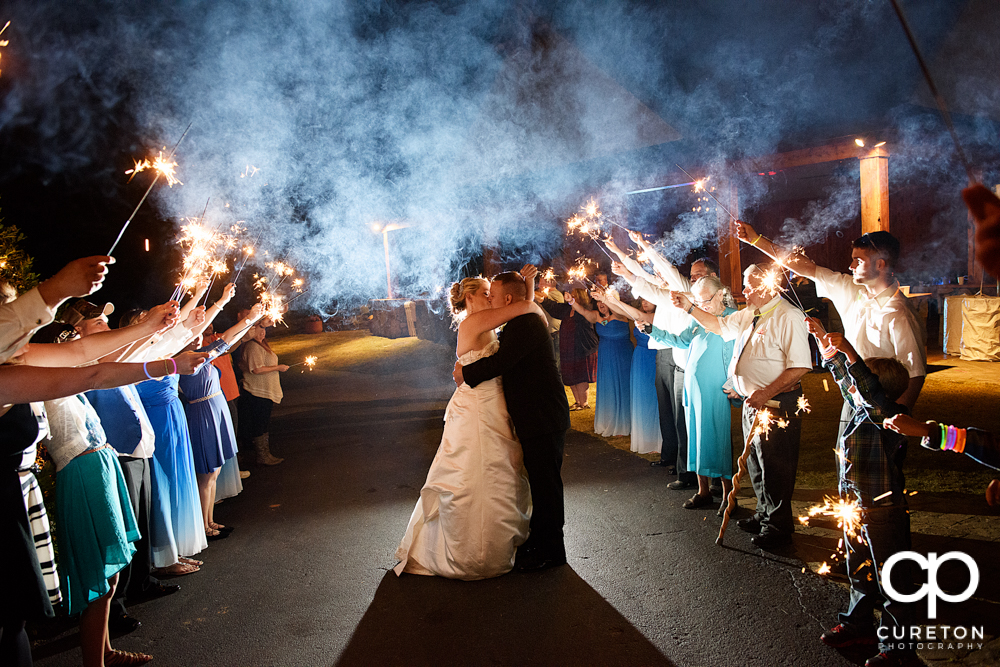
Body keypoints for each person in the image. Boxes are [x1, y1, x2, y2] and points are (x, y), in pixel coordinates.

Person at [395, 269, 541, 579]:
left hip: (492, 403)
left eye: (492, 292)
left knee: (498, 469)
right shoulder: (473, 322)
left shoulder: (487, 321)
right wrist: (529, 292)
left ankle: (496, 544)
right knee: (476, 472)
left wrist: (527, 287)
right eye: (486, 292)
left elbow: (519, 310)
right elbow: (524, 308)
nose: (491, 297)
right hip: (478, 408)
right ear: (470, 297)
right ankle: (473, 553)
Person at [672, 264, 811, 548]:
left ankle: (778, 526)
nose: (743, 291)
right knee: (757, 464)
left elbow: (799, 367)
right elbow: (718, 325)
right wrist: (689, 308)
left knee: (775, 466)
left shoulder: (788, 316)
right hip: (753, 402)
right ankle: (763, 514)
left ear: (768, 286)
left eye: (749, 285)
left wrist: (765, 392)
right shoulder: (750, 314)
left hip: (776, 403)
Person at [807, 320, 920, 667]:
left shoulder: (889, 415)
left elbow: (865, 389)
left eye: (861, 384)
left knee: (892, 577)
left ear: (877, 390)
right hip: (855, 506)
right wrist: (824, 342)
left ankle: (898, 650)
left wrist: (850, 352)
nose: (852, 390)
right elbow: (850, 384)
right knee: (860, 569)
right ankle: (857, 625)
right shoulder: (862, 407)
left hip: (882, 511)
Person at [68, 299, 182, 633]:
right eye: (98, 323)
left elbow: (150, 346)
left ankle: (141, 582)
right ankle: (114, 608)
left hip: (137, 445)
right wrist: (150, 327)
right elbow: (131, 353)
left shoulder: (112, 354)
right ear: (77, 332)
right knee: (121, 532)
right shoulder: (87, 360)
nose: (107, 325)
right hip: (113, 452)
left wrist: (159, 326)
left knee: (140, 521)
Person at [734, 221, 925, 410]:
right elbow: (806, 267)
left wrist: (893, 417)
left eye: (858, 261)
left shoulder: (900, 313)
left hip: (882, 404)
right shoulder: (849, 287)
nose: (850, 266)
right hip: (852, 395)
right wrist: (756, 240)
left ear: (880, 264)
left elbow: (915, 374)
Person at [454, 267, 572, 571]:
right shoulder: (519, 321)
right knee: (539, 481)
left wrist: (464, 373)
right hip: (535, 417)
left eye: (492, 295)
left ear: (506, 298)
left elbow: (501, 362)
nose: (490, 299)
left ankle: (552, 551)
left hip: (543, 417)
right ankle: (538, 540)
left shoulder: (527, 324)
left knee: (546, 485)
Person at [608, 234, 718, 490]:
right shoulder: (672, 292)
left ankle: (713, 479)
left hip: (697, 365)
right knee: (680, 421)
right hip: (679, 362)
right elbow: (644, 282)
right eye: (692, 275)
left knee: (705, 423)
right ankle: (689, 473)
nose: (693, 279)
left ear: (711, 276)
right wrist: (623, 263)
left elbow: (663, 269)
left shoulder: (691, 293)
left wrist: (644, 245)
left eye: (698, 275)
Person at [649, 276, 737, 513]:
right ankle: (703, 491)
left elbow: (736, 356)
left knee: (717, 440)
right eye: (697, 301)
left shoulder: (731, 317)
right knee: (695, 439)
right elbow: (680, 341)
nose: (701, 305)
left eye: (705, 300)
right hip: (692, 388)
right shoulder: (697, 319)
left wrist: (735, 384)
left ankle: (729, 495)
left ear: (720, 294)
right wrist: (653, 330)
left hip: (716, 389)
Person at [592, 290, 661, 454]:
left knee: (653, 399)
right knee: (641, 398)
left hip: (654, 358)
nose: (644, 303)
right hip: (639, 358)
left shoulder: (660, 317)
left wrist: (609, 300)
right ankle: (645, 438)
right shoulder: (638, 316)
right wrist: (606, 300)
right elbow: (627, 312)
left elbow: (628, 312)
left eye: (648, 299)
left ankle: (656, 440)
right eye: (643, 299)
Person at [566, 293, 632, 436]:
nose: (600, 305)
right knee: (609, 387)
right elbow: (583, 312)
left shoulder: (620, 315)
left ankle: (623, 423)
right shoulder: (597, 316)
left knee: (622, 386)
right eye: (598, 302)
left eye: (603, 302)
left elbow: (618, 309)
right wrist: (572, 301)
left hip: (621, 356)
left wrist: (606, 298)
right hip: (605, 357)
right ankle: (611, 421)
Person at [539, 287, 598, 410]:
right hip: (568, 347)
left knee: (580, 376)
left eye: (574, 295)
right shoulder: (566, 310)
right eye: (571, 295)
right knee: (570, 375)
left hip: (582, 347)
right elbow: (553, 307)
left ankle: (584, 402)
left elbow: (583, 315)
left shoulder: (585, 310)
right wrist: (542, 298)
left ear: (580, 297)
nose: (570, 297)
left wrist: (573, 303)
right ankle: (577, 402)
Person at [237, 320, 287, 465]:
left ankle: (265, 453)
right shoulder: (252, 346)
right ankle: (262, 455)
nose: (262, 332)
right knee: (259, 423)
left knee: (263, 423)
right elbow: (256, 369)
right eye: (258, 329)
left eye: (263, 329)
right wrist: (278, 368)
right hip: (256, 392)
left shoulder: (262, 345)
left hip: (265, 391)